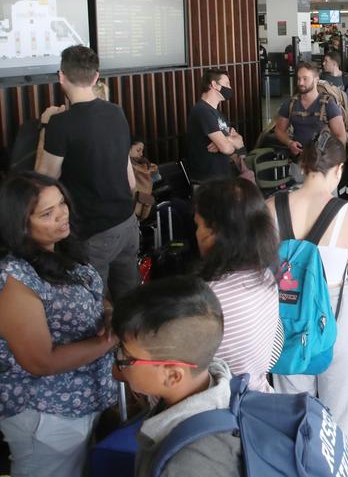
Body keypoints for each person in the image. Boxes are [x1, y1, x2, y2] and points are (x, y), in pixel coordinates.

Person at [0, 172, 116, 477]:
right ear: (20, 226)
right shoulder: (14, 277)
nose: (62, 215)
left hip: (84, 399)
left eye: (61, 203)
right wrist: (109, 340)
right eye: (47, 214)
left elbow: (92, 297)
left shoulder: (62, 249)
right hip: (46, 413)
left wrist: (107, 315)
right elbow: (39, 360)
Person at [267, 131, 348, 447]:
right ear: (339, 170)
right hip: (335, 314)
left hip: (284, 315)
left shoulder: (271, 206)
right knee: (339, 412)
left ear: (302, 164)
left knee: (291, 408)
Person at [34, 45, 138, 301]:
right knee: (131, 301)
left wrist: (45, 126)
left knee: (94, 305)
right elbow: (131, 180)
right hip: (127, 223)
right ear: (95, 77)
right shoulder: (116, 112)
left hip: (93, 233)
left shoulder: (60, 124)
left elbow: (43, 179)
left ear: (61, 77)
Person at [111, 276, 243, 477]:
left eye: (126, 357)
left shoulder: (188, 466)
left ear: (173, 376)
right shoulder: (212, 384)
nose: (117, 362)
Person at [193, 178, 283, 393]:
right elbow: (274, 349)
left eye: (198, 225)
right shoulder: (265, 278)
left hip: (223, 413)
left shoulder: (208, 300)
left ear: (214, 233)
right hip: (261, 397)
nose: (196, 233)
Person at [275, 61, 347, 160]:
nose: (300, 83)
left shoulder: (328, 104)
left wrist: (331, 161)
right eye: (299, 79)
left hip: (322, 163)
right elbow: (279, 130)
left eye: (305, 79)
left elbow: (341, 136)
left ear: (316, 79)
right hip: (298, 161)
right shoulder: (290, 103)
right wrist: (289, 143)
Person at [185, 68, 246, 182]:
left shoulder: (217, 114)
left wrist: (227, 140)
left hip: (222, 177)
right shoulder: (203, 111)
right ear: (214, 84)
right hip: (208, 180)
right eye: (227, 84)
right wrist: (228, 142)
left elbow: (240, 141)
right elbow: (227, 148)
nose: (230, 88)